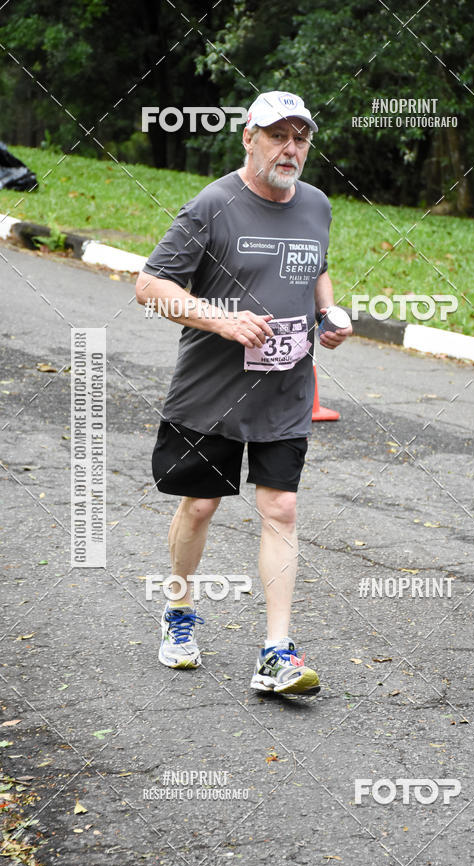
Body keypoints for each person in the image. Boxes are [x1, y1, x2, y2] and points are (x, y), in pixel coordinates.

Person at [135, 90, 352, 695]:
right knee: (200, 506)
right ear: (248, 138)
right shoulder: (213, 204)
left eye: (300, 137)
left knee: (281, 507)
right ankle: (179, 612)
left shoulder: (315, 205)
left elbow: (315, 265)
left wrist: (329, 314)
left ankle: (276, 653)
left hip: (284, 391)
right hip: (211, 392)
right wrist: (222, 320)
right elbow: (150, 286)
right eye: (278, 135)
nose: (291, 148)